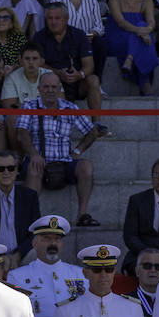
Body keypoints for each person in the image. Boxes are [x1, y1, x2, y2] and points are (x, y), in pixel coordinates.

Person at [14, 72, 101, 226]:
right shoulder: (29, 107)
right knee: (34, 167)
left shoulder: (70, 108)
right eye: (46, 87)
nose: (50, 90)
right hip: (39, 160)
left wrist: (78, 151)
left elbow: (92, 132)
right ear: (39, 89)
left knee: (86, 167)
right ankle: (29, 217)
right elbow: (22, 133)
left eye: (54, 87)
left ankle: (82, 215)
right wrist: (34, 154)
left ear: (60, 89)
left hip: (65, 161)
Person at [7, 214, 85, 317]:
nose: (52, 244)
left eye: (57, 239)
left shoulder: (80, 275)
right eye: (46, 239)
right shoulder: (17, 277)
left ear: (62, 243)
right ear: (34, 244)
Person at [0, 149, 40, 261]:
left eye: (11, 168)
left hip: (22, 255)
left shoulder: (29, 196)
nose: (6, 172)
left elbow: (35, 231)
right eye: (1, 169)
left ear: (17, 170)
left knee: (37, 252)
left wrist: (18, 255)